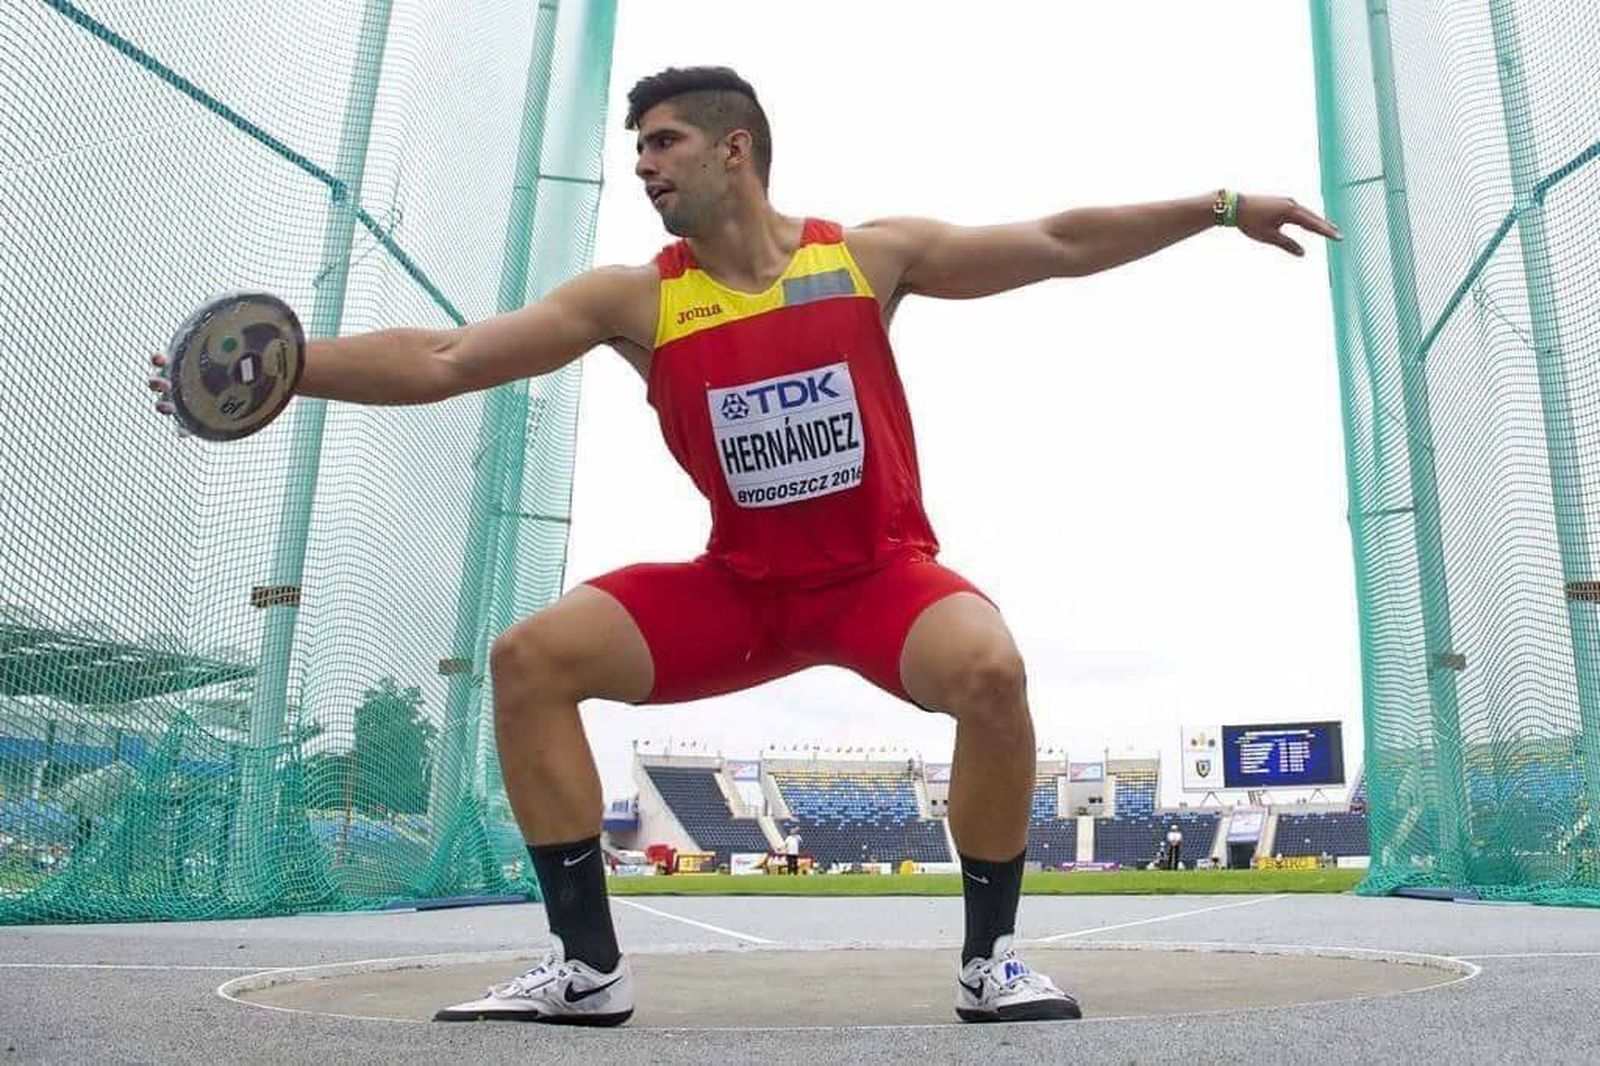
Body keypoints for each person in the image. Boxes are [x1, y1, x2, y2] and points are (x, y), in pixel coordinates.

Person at [150, 65, 1340, 1026]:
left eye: (662, 143)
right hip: (740, 588)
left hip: (877, 579)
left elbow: (1058, 239)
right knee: (530, 660)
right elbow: (453, 358)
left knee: (990, 669)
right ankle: (586, 969)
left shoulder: (865, 258)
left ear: (735, 148)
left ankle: (991, 963)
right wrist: (287, 371)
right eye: (637, 153)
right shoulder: (637, 298)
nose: (644, 167)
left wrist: (1220, 207)